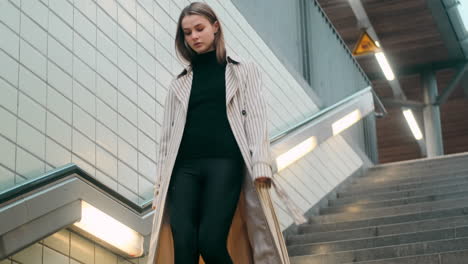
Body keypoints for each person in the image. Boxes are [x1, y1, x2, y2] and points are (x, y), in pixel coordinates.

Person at [147, 2, 300, 264]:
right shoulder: (178, 83)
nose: (194, 36)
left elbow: (256, 117)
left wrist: (261, 162)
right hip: (184, 167)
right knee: (183, 244)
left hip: (224, 163)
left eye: (199, 28)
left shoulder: (243, 71)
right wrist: (160, 184)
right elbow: (166, 138)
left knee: (210, 241)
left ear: (215, 28)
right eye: (187, 32)